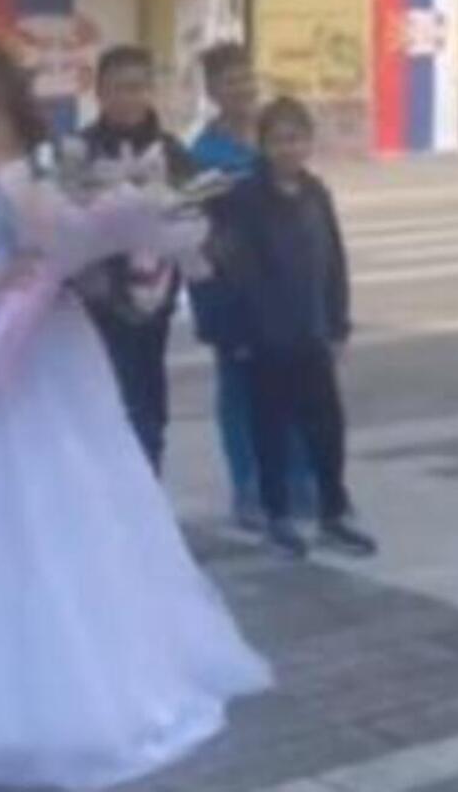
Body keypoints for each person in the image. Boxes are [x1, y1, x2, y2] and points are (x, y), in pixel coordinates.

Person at [0, 41, 269, 789]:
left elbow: (83, 235)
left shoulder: (53, 158)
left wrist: (114, 263)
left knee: (77, 498)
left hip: (52, 344)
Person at [217, 97, 378, 561]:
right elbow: (234, 271)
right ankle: (277, 516)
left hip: (311, 333)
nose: (289, 149)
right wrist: (240, 335)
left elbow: (334, 262)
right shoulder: (246, 199)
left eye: (297, 139)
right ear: (263, 145)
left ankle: (333, 512)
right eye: (279, 140)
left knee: (326, 426)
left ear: (309, 142)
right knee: (269, 428)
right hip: (265, 338)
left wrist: (338, 324)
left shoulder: (315, 194)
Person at [190, 41, 317, 529]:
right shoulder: (204, 154)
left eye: (246, 77)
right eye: (229, 81)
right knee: (241, 391)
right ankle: (248, 487)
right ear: (211, 91)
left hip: (286, 288)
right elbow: (198, 228)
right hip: (234, 293)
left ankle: (299, 481)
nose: (241, 88)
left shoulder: (272, 140)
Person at [79, 45, 195, 473]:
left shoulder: (172, 151)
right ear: (99, 92)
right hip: (97, 303)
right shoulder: (80, 150)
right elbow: (57, 222)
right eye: (119, 88)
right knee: (104, 405)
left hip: (154, 300)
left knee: (148, 407)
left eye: (138, 87)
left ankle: (148, 490)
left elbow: (196, 216)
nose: (130, 98)